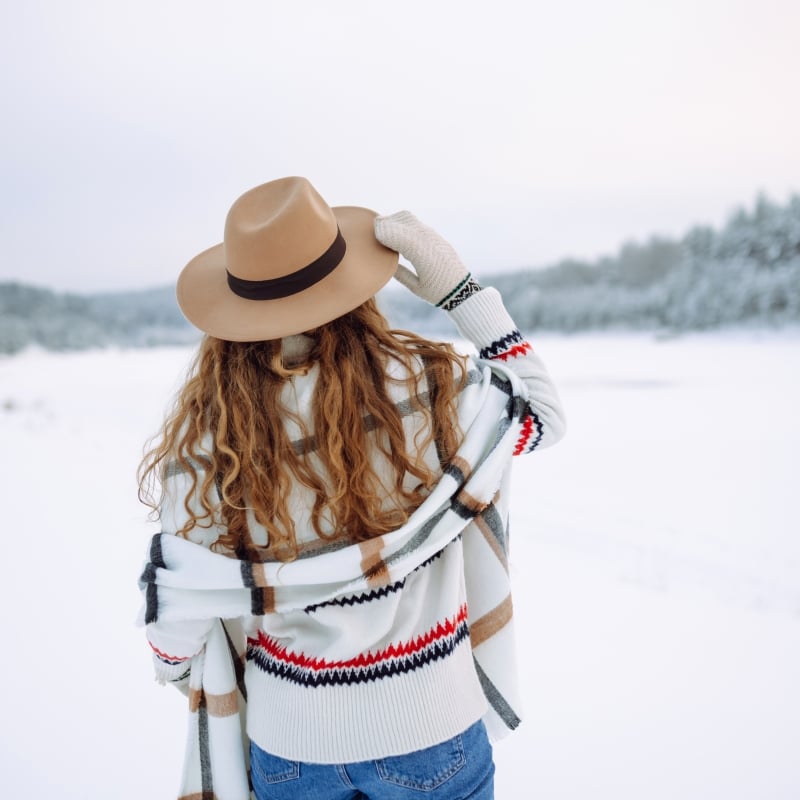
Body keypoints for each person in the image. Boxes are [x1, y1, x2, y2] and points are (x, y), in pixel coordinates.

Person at [138, 176, 566, 800]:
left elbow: (179, 602)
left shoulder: (211, 443)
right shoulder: (433, 392)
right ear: (355, 289)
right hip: (433, 732)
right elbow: (540, 418)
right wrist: (461, 291)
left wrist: (178, 668)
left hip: (291, 747)